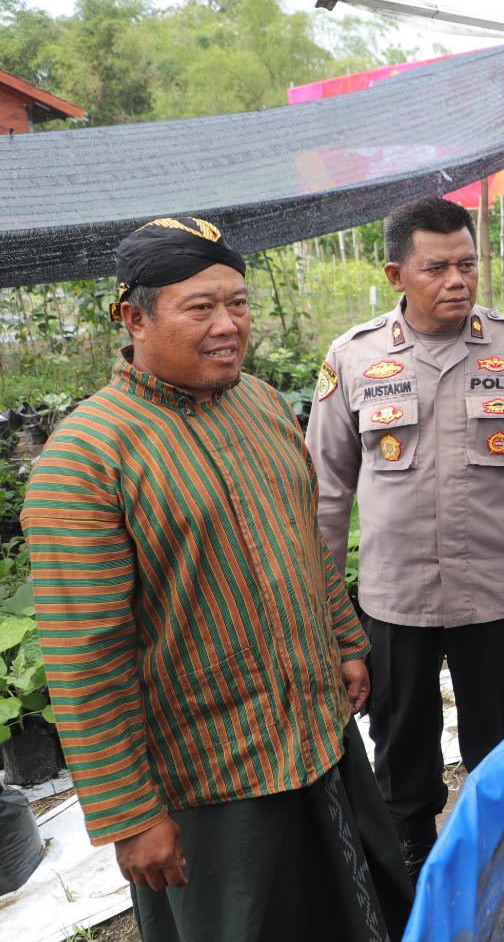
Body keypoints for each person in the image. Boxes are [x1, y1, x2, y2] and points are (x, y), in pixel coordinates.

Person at [21, 217, 411, 941]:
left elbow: (305, 540)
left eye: (238, 303)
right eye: (200, 308)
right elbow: (86, 656)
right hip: (209, 778)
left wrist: (344, 638)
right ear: (134, 318)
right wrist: (130, 814)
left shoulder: (260, 405)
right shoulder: (85, 459)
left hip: (315, 736)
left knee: (358, 909)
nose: (229, 325)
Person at [306, 197, 504, 881]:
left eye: (467, 264)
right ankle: (411, 882)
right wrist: (325, 619)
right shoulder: (355, 359)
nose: (457, 280)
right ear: (397, 274)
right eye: (437, 268)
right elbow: (326, 496)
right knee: (400, 760)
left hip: (497, 596)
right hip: (396, 603)